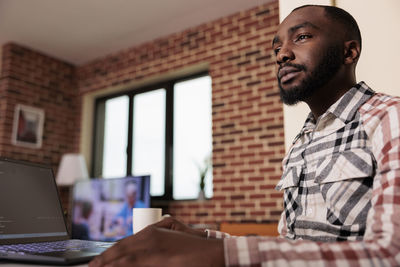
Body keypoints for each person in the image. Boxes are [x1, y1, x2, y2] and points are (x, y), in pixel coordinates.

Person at [89, 5, 400, 266]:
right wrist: (202, 237)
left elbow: (391, 253)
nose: (282, 55)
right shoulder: (302, 141)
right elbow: (293, 247)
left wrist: (221, 254)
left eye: (301, 37)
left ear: (350, 52)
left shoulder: (390, 117)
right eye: (277, 48)